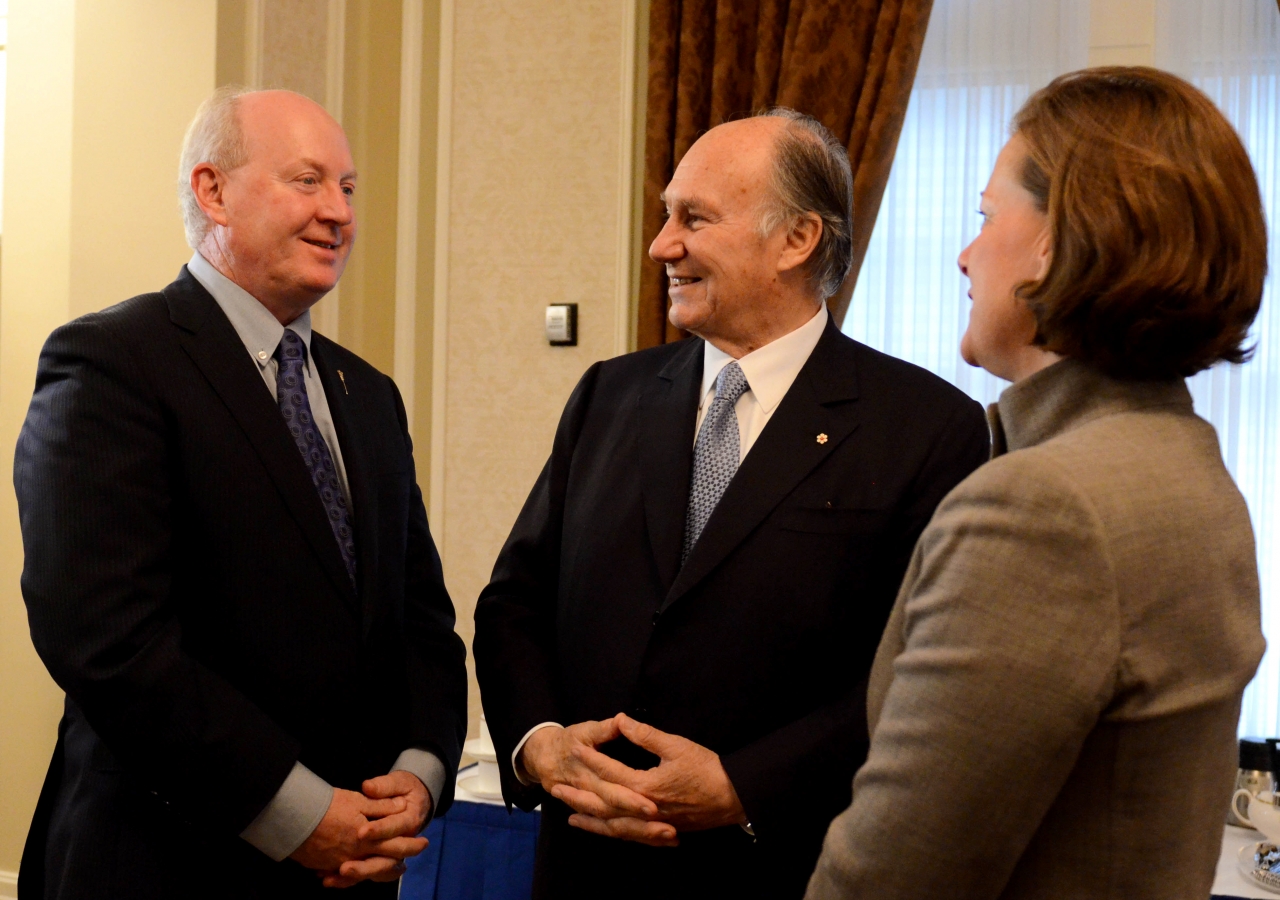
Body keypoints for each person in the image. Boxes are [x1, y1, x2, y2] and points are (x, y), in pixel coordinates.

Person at [472, 109, 990, 899]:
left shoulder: (926, 427)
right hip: (584, 866)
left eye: (695, 218)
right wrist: (540, 743)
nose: (662, 246)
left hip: (779, 868)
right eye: (664, 216)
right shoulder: (608, 397)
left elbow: (921, 675)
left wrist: (747, 785)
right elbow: (515, 602)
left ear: (797, 239)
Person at [805, 67, 1267, 900]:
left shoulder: (1042, 508)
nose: (965, 254)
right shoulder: (1184, 463)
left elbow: (894, 875)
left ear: (1060, 240)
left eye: (986, 218)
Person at [15, 87, 468, 899]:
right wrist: (294, 812)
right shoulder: (113, 364)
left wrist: (420, 772)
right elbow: (106, 640)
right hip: (161, 863)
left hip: (358, 864)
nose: (339, 213)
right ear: (212, 191)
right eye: (308, 181)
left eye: (351, 189)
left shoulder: (368, 396)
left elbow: (422, 624)